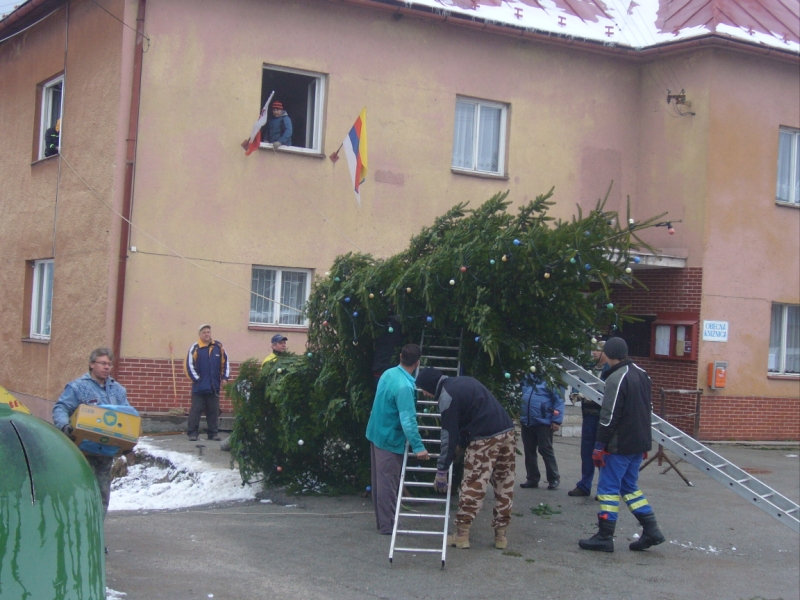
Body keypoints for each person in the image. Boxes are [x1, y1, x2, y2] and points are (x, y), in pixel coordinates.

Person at [578, 337, 666, 552]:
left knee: (608, 489)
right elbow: (647, 409)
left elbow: (609, 415)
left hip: (619, 444)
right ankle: (651, 529)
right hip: (638, 441)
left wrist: (600, 444)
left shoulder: (616, 378)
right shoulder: (642, 373)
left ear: (608, 354)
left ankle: (605, 536)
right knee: (630, 487)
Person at [416, 367, 516, 550]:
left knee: (473, 484)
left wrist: (441, 470)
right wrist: (461, 447)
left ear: (430, 385)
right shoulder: (463, 381)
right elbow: (469, 418)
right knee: (504, 484)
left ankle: (461, 536)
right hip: (507, 432)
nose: (424, 393)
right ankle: (501, 536)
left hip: (485, 438)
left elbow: (448, 435)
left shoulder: (447, 396)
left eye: (423, 389)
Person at [52, 347, 131, 519]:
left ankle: (97, 532)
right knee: (82, 493)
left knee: (102, 496)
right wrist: (64, 426)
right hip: (83, 451)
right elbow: (61, 408)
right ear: (91, 364)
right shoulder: (77, 387)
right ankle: (79, 530)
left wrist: (128, 442)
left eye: (109, 364)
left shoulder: (118, 390)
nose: (106, 367)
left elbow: (127, 418)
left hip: (106, 452)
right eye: (102, 363)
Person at [366, 344, 430, 535]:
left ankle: (383, 522)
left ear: (401, 356)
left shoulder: (388, 374)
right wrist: (419, 447)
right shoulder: (404, 387)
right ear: (417, 362)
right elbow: (408, 421)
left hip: (376, 433)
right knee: (388, 484)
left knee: (379, 482)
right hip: (390, 439)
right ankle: (388, 525)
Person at [568, 340, 610, 497]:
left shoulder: (610, 371)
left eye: (597, 350)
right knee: (586, 452)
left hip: (602, 418)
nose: (593, 353)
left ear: (605, 353)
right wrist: (575, 393)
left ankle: (604, 489)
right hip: (588, 416)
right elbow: (578, 383)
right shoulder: (588, 369)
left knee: (602, 453)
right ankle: (584, 485)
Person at [185, 324, 229, 442]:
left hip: (213, 386)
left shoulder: (218, 347)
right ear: (200, 334)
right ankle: (192, 433)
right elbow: (189, 366)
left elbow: (225, 363)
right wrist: (197, 380)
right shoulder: (195, 348)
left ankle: (213, 433)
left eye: (208, 332)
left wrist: (225, 378)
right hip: (199, 387)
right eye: (204, 332)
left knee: (213, 411)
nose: (206, 334)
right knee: (196, 410)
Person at [519, 376, 564, 490]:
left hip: (543, 423)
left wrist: (556, 420)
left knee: (545, 449)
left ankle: (553, 478)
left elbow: (559, 400)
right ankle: (532, 479)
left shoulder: (549, 381)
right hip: (527, 422)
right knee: (529, 451)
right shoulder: (527, 380)